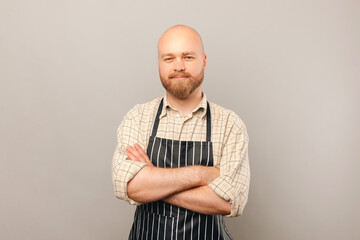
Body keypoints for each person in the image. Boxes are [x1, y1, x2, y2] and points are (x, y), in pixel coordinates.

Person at [111, 24, 250, 240]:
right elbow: (130, 187)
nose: (178, 66)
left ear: (203, 61)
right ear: (159, 63)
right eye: (169, 58)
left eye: (188, 57)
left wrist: (153, 178)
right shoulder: (138, 117)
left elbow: (228, 201)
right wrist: (201, 174)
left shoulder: (230, 124)